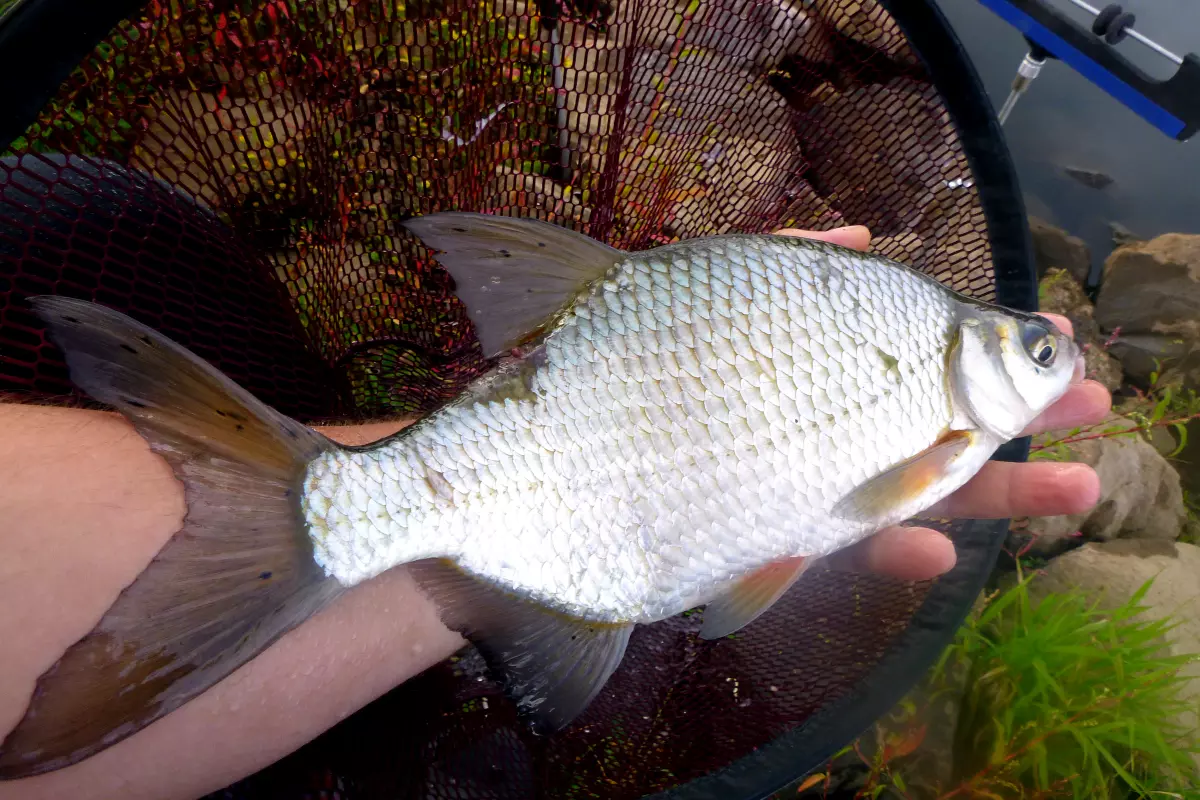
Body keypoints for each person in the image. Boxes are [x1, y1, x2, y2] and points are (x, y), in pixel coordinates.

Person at [0, 225, 1112, 800]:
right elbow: (813, 545)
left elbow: (780, 561)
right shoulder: (940, 399)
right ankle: (327, 517)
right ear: (980, 348)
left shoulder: (926, 366)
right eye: (1035, 348)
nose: (1046, 358)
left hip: (617, 490)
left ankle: (343, 515)